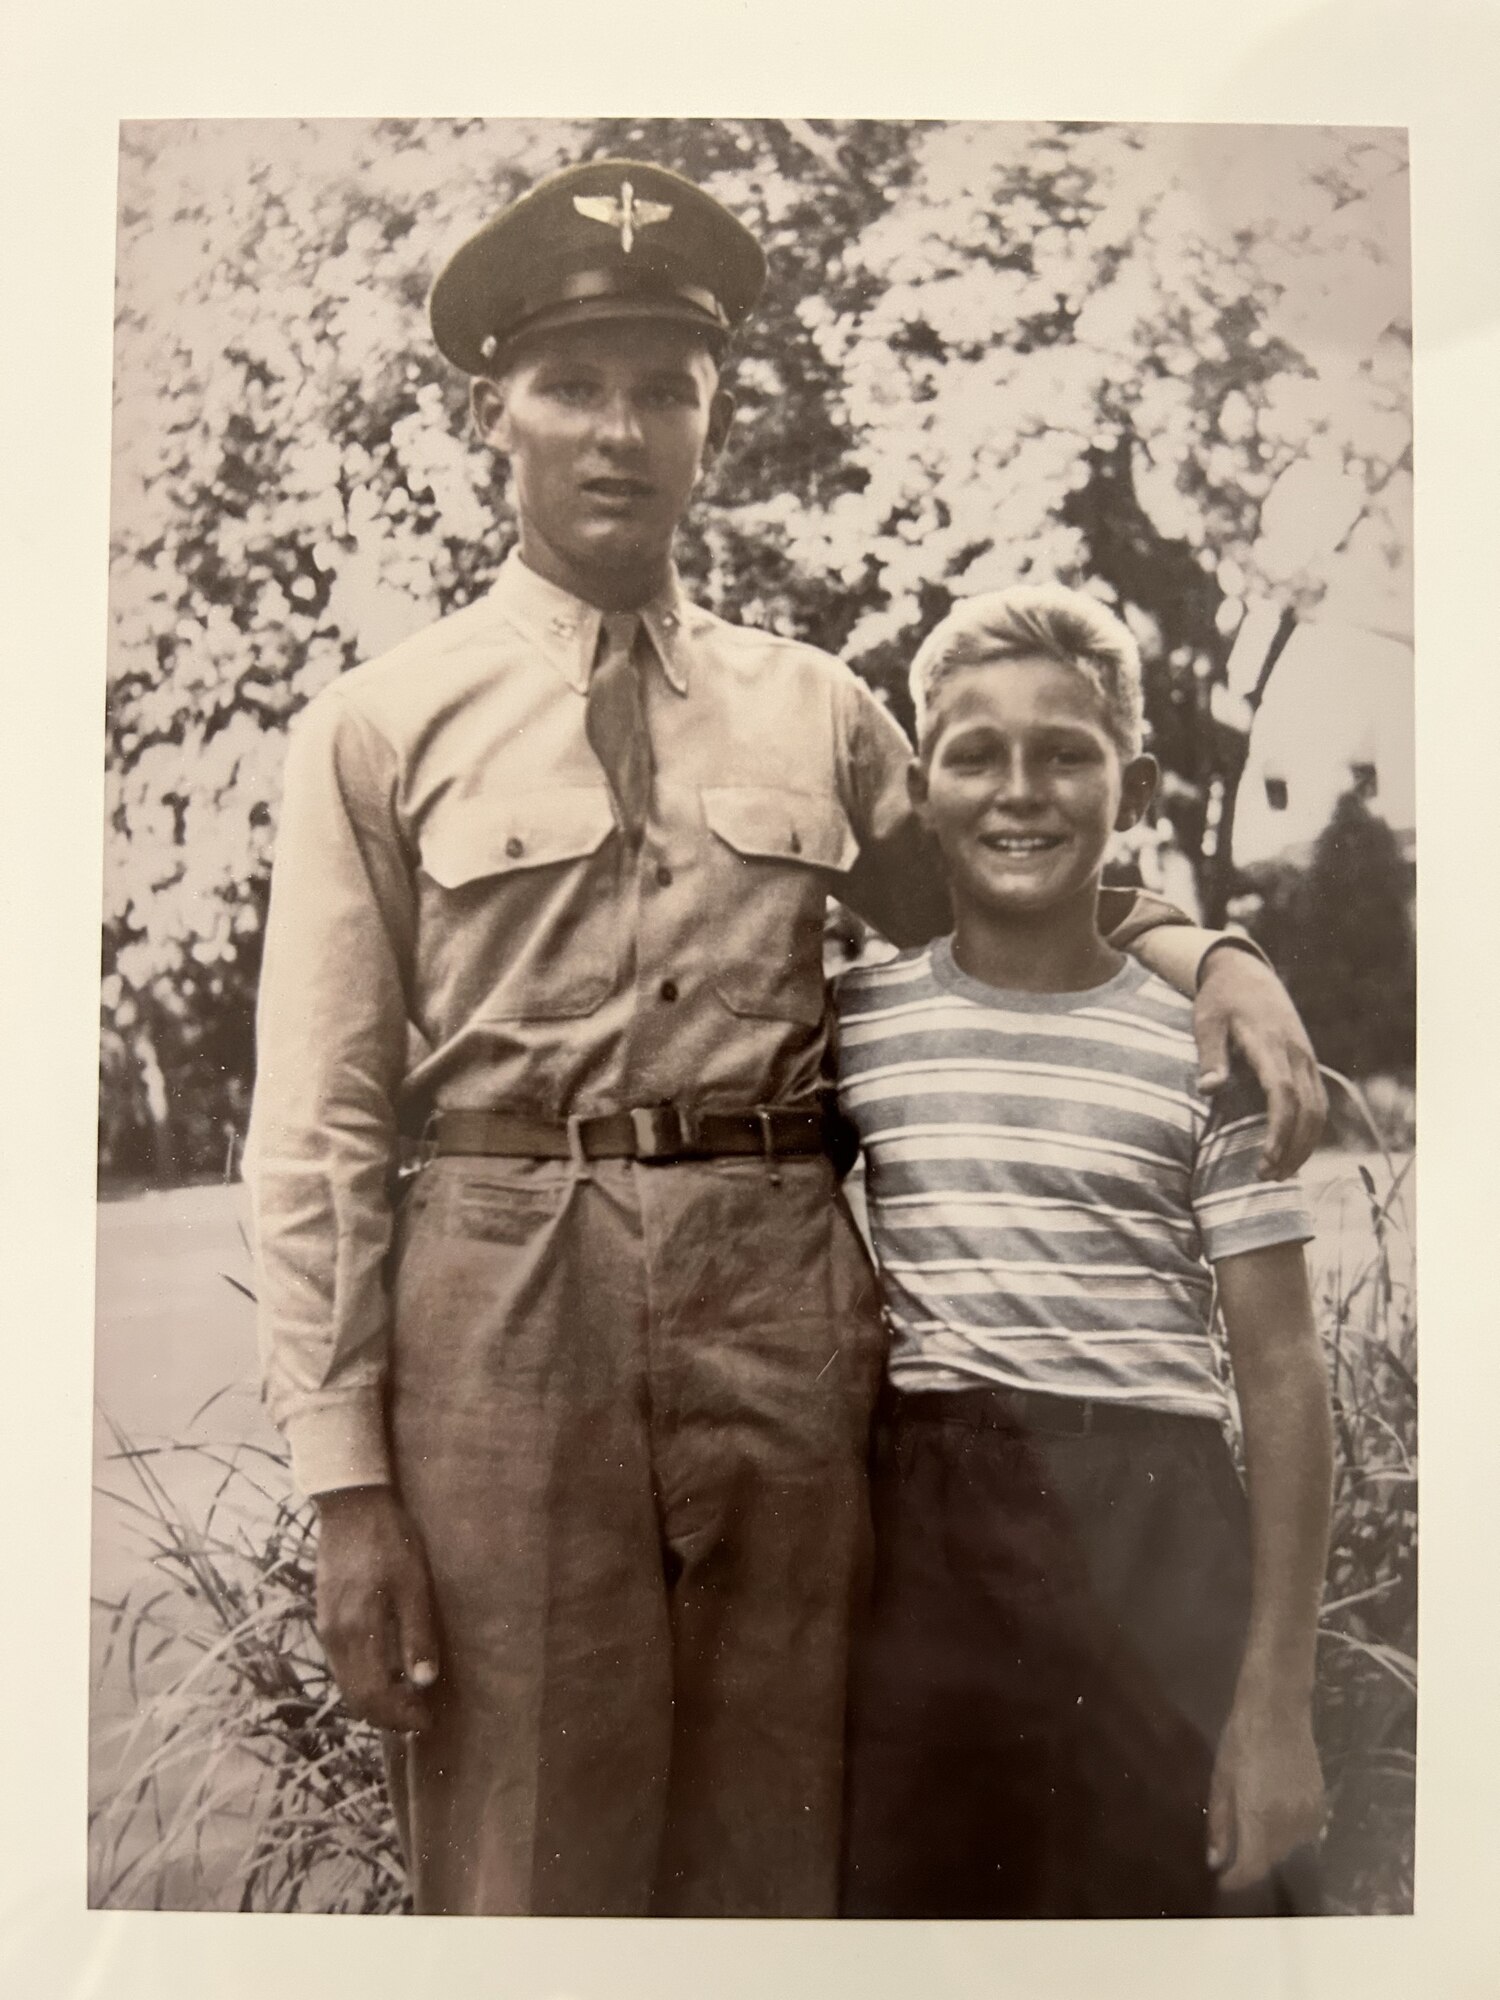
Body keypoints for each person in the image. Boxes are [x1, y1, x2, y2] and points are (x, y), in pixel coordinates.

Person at [244, 157, 1327, 1918]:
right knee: (530, 1857)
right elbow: (321, 1120)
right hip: (506, 1308)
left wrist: (1209, 947)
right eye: (575, 385)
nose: (620, 433)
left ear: (711, 418)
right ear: (492, 414)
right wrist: (347, 1490)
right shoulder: (379, 723)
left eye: (663, 389)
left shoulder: (815, 706)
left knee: (787, 1847)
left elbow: (1010, 881)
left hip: (777, 1314)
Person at [836, 585, 1334, 1919]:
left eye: (1066, 751)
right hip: (929, 1534)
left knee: (1168, 1917)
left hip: (1157, 1532)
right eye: (975, 754)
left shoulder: (1207, 1048)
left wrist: (1276, 1702)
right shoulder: (856, 1024)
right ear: (917, 785)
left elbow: (1281, 1369)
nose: (1021, 791)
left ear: (1140, 784)